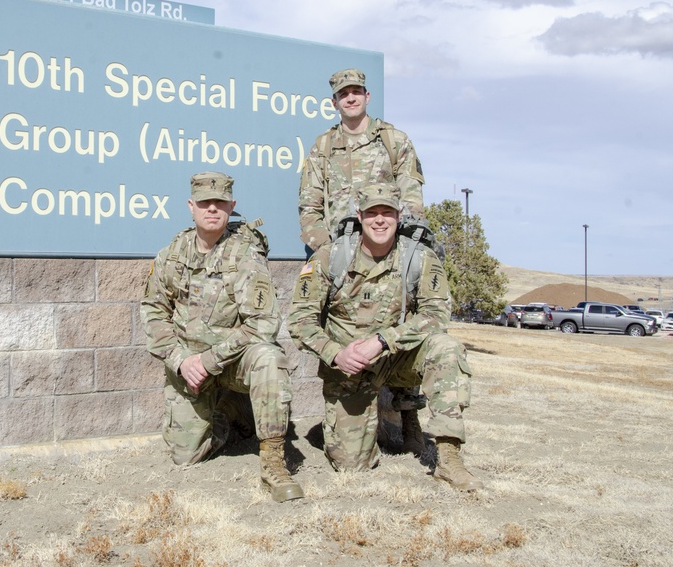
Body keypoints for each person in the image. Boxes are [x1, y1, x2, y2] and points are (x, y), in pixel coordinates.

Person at [287, 183, 482, 491]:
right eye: (372, 213)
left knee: (446, 349)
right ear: (359, 215)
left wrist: (382, 340)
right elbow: (300, 320)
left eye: (387, 212)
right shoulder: (331, 257)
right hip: (350, 367)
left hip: (396, 358)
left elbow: (436, 315)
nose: (380, 220)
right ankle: (365, 427)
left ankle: (449, 459)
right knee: (351, 464)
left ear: (398, 215)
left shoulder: (418, 257)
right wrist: (335, 353)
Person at [142, 171, 304, 502]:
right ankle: (229, 415)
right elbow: (153, 312)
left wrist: (209, 360)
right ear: (191, 206)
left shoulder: (245, 254)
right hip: (189, 366)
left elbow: (263, 322)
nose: (212, 209)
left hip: (231, 361)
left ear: (232, 206)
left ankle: (273, 463)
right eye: (205, 203)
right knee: (185, 455)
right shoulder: (172, 255)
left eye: (219, 203)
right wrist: (181, 360)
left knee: (269, 357)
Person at [298, 68, 429, 456]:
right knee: (346, 339)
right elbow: (309, 206)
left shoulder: (394, 140)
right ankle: (349, 415)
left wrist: (400, 250)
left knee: (401, 326)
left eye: (356, 92)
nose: (350, 98)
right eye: (343, 94)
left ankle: (407, 414)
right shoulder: (323, 146)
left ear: (367, 96)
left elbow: (413, 199)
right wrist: (327, 252)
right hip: (342, 262)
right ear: (334, 102)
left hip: (388, 253)